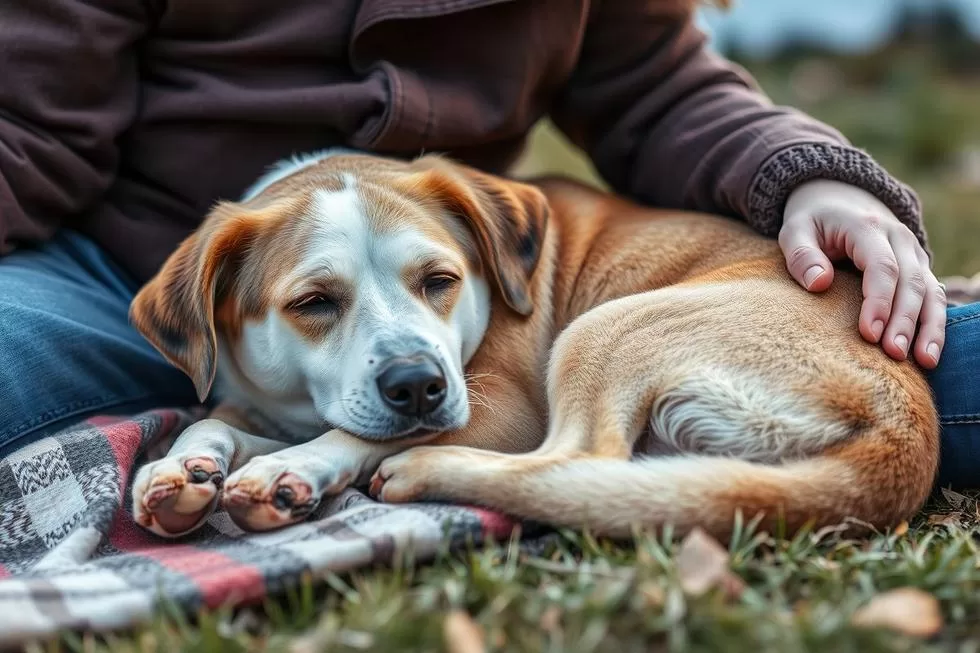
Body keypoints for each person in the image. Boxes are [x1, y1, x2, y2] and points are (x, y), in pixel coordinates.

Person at [0, 0, 975, 487]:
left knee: (927, 343)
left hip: (461, 273)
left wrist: (805, 173)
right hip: (131, 267)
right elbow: (27, 128)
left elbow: (654, 84)